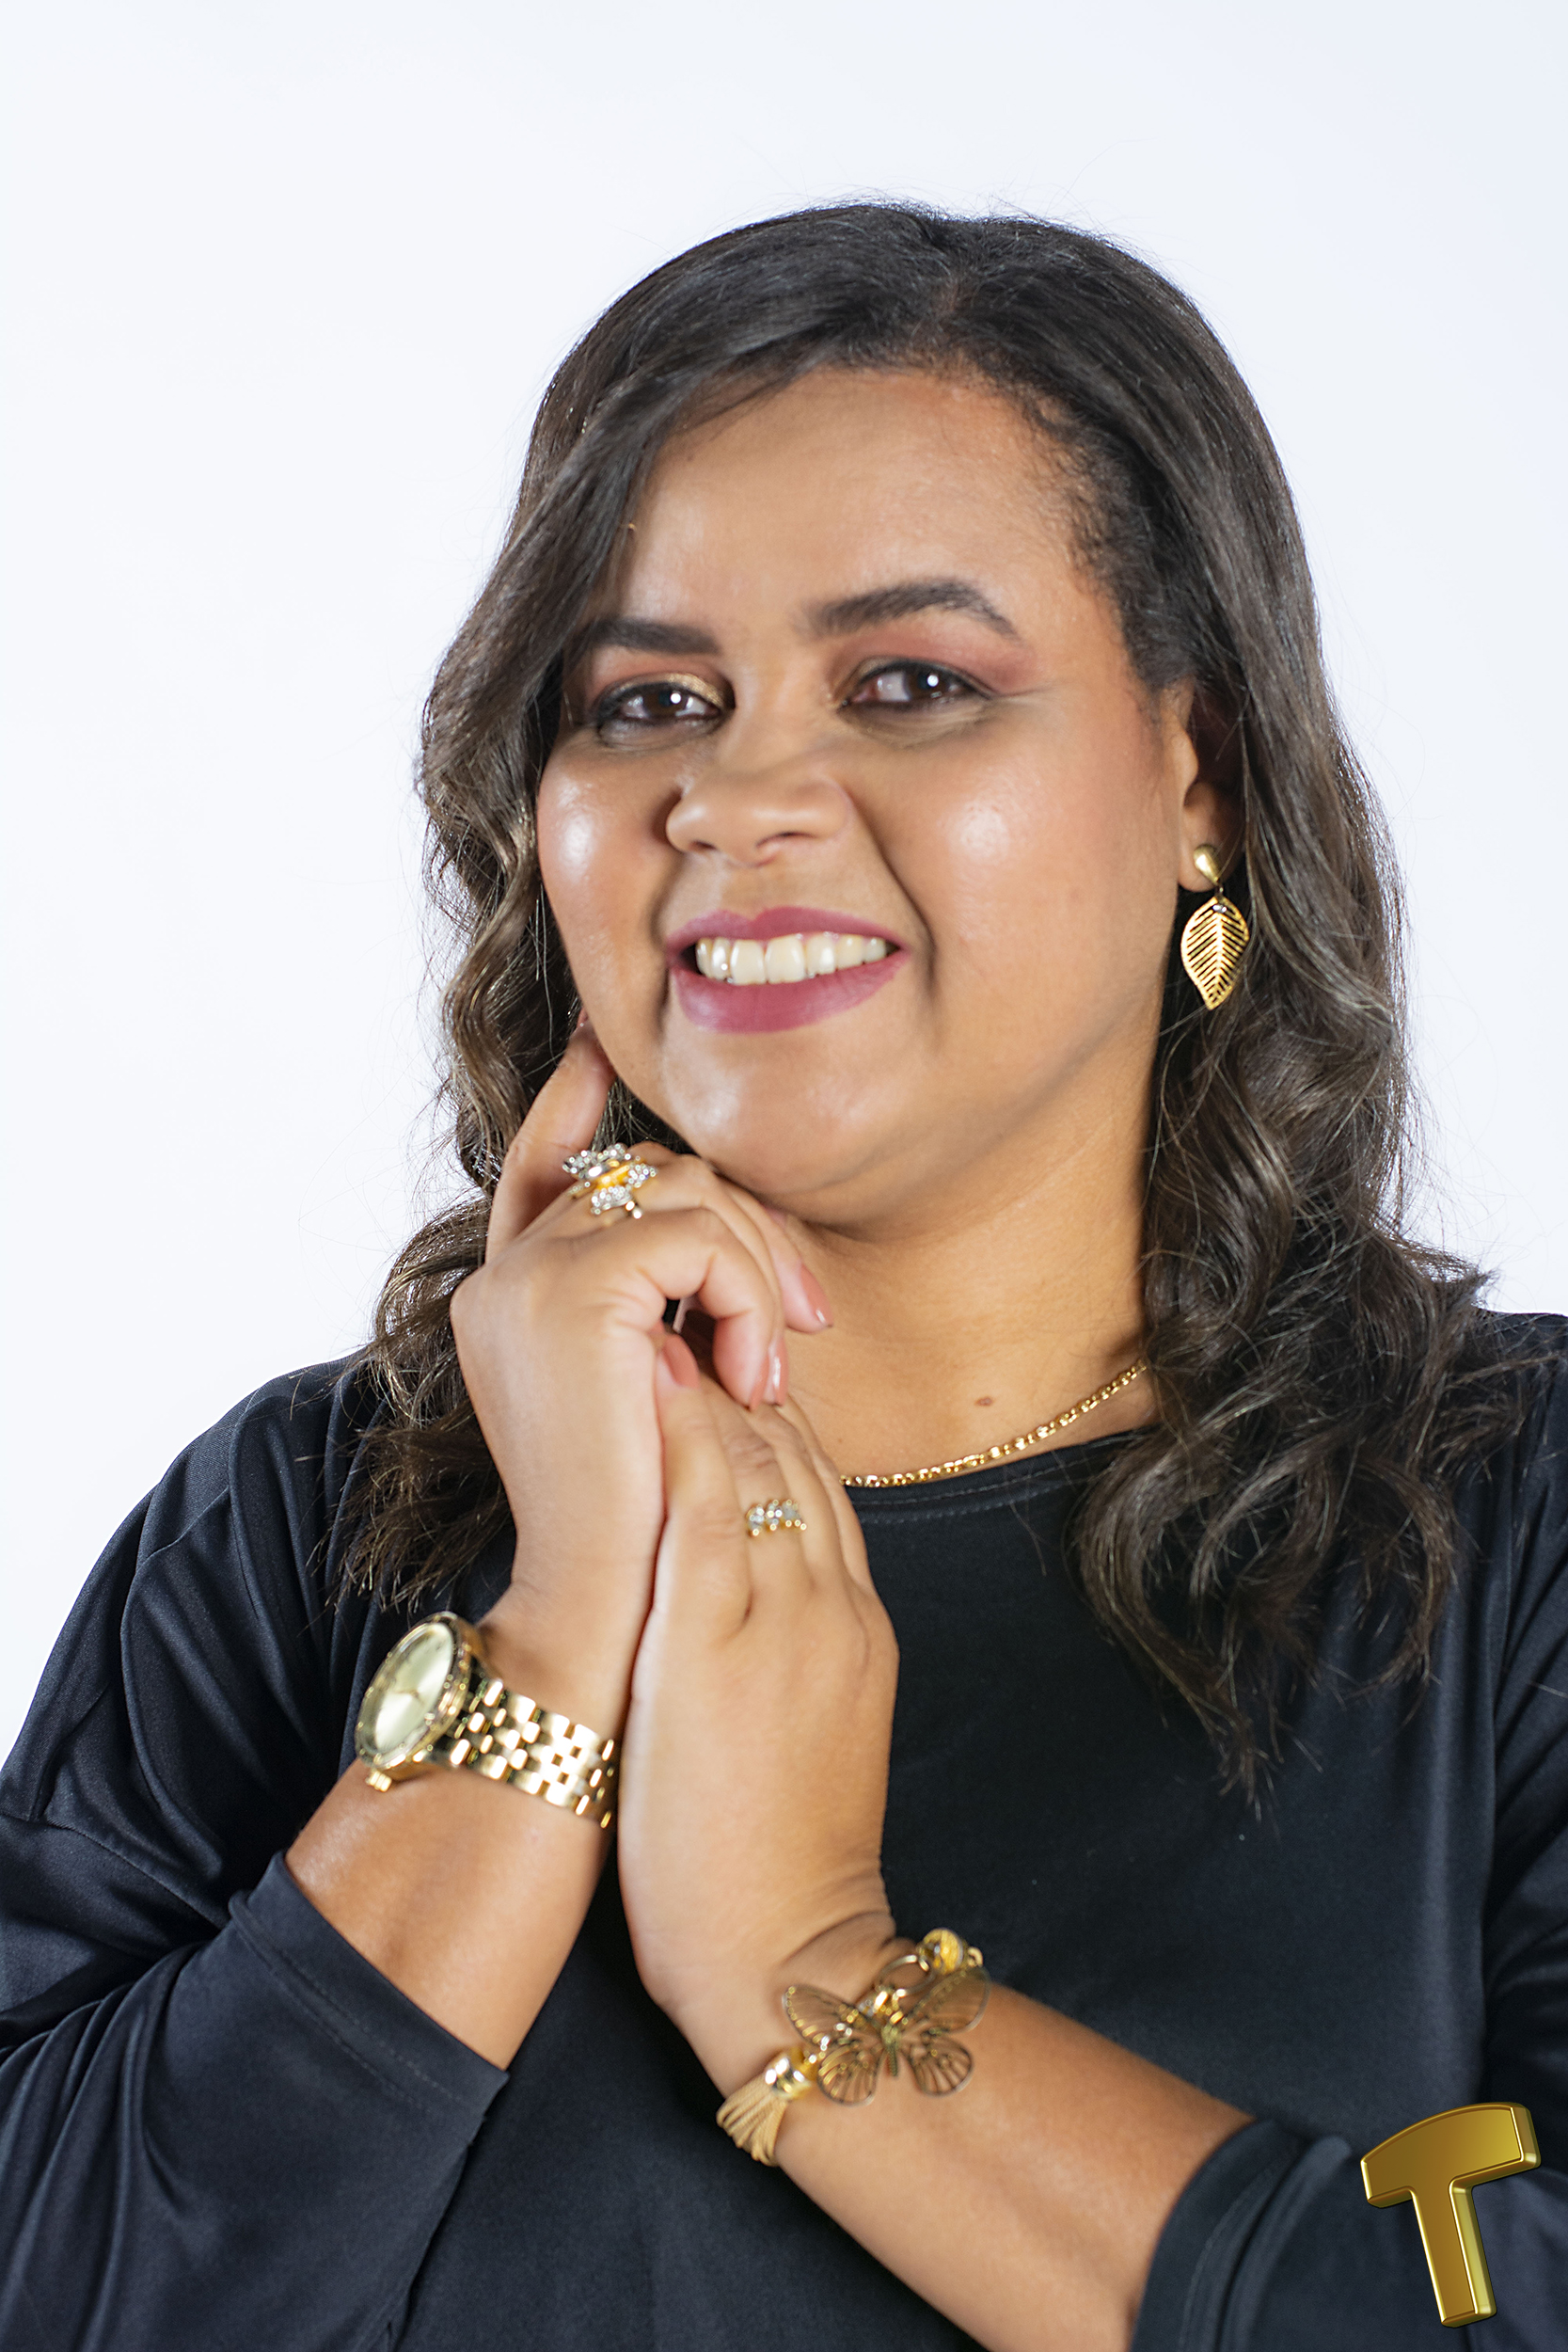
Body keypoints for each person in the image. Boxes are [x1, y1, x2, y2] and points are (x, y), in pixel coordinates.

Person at [1, 204, 1563, 2352]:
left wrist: (807, 1972)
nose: (734, 799)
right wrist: (556, 1638)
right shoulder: (291, 1538)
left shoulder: (1513, 1529)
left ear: (1196, 769)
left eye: (910, 684)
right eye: (650, 699)